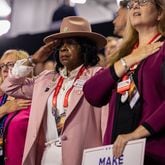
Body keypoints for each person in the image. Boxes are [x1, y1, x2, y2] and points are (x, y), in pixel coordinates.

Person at [1, 16, 107, 165]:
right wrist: (34, 60)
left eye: (71, 43)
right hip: (47, 156)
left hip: (83, 157)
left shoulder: (97, 76)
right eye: (61, 45)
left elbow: (106, 123)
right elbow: (9, 86)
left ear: (85, 47)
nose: (63, 48)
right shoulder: (46, 79)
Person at [83, 0, 165, 164]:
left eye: (142, 1)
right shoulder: (124, 56)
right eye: (132, 4)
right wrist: (130, 58)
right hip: (117, 154)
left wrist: (137, 134)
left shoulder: (162, 50)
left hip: (153, 151)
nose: (135, 5)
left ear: (160, 13)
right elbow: (91, 93)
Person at [0, 49, 31, 165]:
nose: (4, 69)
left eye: (11, 65)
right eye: (2, 66)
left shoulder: (33, 98)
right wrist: (4, 109)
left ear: (24, 68)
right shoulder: (0, 99)